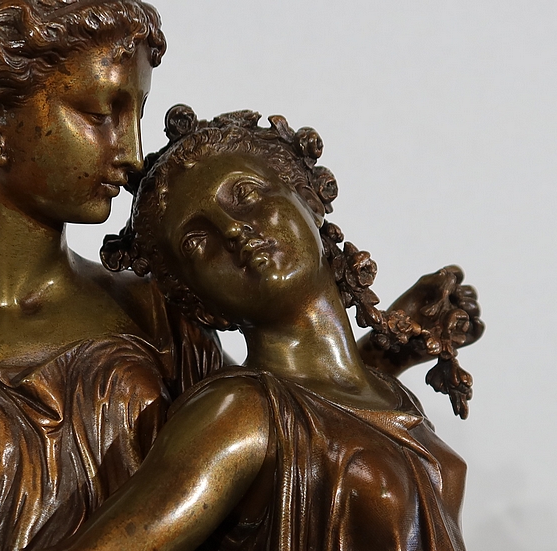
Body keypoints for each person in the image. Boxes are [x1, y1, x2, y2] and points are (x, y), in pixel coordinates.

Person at [0, 1, 481, 549]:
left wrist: (380, 354)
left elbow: (288, 460)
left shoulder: (160, 316)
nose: (132, 153)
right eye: (100, 112)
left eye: (135, 112)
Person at [56, 106, 472, 550]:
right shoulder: (239, 413)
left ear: (308, 200)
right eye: (196, 241)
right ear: (201, 304)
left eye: (245, 193)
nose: (233, 230)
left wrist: (391, 348)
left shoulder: (389, 395)